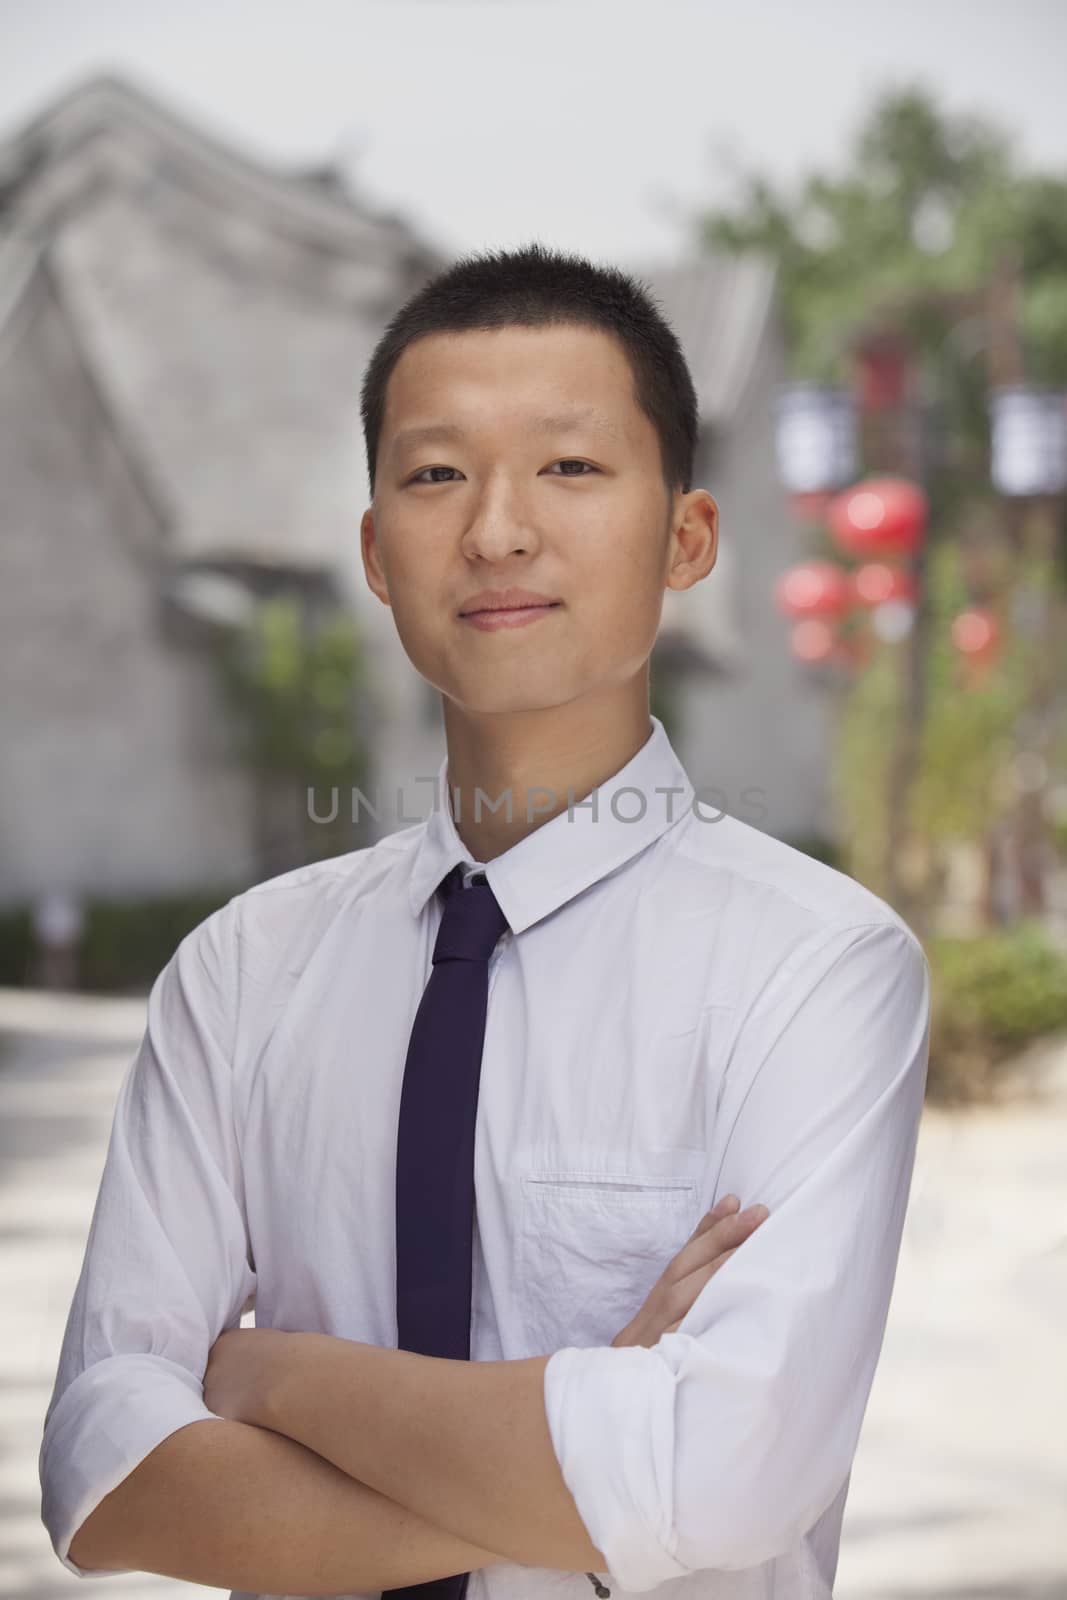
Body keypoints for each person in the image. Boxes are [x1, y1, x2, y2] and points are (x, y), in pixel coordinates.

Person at [40, 242, 930, 1600]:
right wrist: (597, 1437)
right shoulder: (241, 972)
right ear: (374, 552)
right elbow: (105, 1479)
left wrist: (272, 1371)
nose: (498, 529)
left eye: (569, 467)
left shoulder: (817, 966)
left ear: (688, 536)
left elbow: (727, 1474)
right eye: (436, 473)